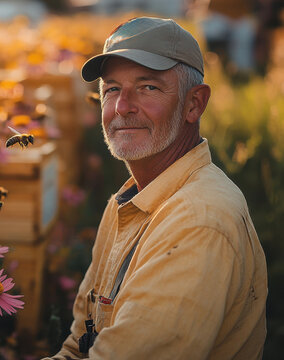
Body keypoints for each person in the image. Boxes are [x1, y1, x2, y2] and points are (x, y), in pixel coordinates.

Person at [43, 17, 267, 359]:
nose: (122, 106)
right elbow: (78, 345)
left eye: (148, 87)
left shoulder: (197, 222)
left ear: (195, 104)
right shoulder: (130, 199)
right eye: (112, 88)